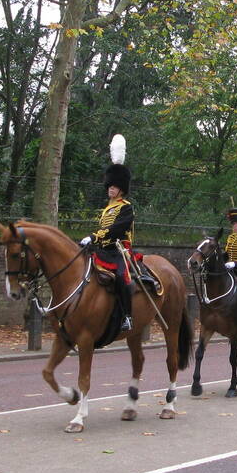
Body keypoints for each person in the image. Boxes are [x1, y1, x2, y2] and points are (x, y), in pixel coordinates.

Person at [80, 134, 135, 332]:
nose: (110, 189)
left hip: (119, 250)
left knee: (121, 277)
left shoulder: (126, 208)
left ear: (121, 189)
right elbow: (105, 228)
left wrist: (94, 236)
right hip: (103, 250)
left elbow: (116, 229)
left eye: (114, 187)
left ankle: (127, 317)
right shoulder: (106, 209)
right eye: (109, 186)